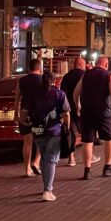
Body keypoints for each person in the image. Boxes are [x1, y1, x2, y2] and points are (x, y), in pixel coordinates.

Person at [26, 69, 70, 201]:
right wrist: (66, 127)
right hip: (53, 130)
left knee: (45, 157)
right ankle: (47, 190)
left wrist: (25, 122)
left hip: (37, 130)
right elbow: (66, 113)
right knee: (51, 159)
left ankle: (46, 186)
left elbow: (25, 112)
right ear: (53, 80)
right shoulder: (59, 94)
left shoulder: (35, 95)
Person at [74, 55, 111, 179]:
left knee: (87, 141)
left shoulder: (86, 74)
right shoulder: (109, 75)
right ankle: (107, 167)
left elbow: (76, 92)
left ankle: (87, 170)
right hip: (103, 113)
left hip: (87, 113)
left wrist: (77, 105)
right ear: (106, 64)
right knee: (109, 139)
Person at [14, 56, 43, 177]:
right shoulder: (42, 80)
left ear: (29, 68)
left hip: (25, 113)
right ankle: (36, 162)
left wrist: (16, 113)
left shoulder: (22, 80)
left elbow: (17, 97)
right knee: (41, 140)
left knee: (27, 141)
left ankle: (26, 169)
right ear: (39, 68)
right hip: (39, 113)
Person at [60, 55, 87, 168]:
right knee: (86, 132)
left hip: (68, 109)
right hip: (81, 108)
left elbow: (62, 93)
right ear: (81, 65)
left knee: (69, 133)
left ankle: (71, 159)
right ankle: (88, 156)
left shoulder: (66, 77)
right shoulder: (84, 76)